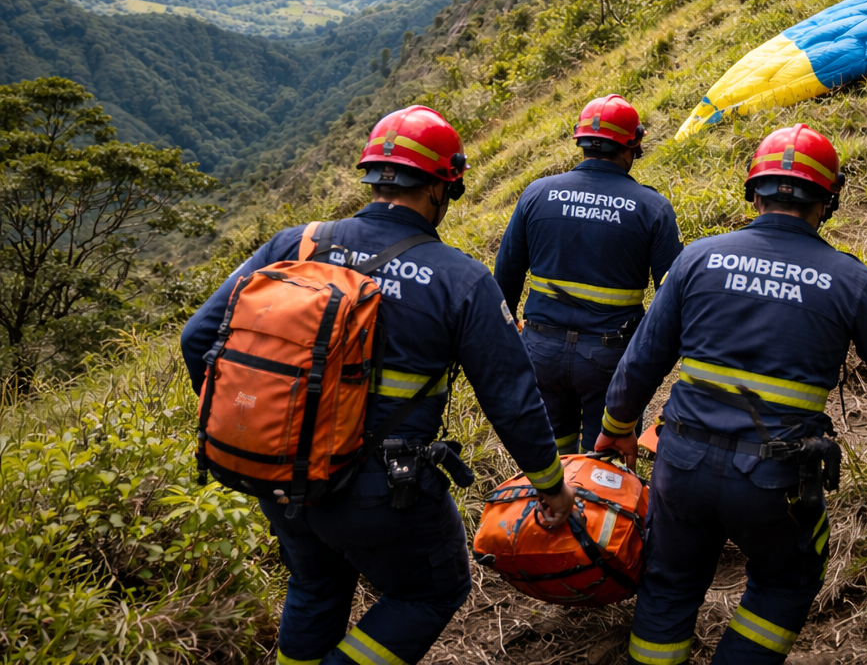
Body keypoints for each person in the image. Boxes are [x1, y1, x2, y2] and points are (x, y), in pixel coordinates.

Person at [181, 105, 575, 665]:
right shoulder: (459, 279)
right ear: (445, 187)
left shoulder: (294, 244)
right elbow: (510, 399)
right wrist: (550, 484)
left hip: (281, 474)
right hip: (382, 491)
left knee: (316, 586)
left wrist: (264, 423)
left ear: (374, 176)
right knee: (430, 591)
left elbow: (198, 338)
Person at [595, 124, 867, 665]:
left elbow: (640, 361)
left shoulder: (697, 259)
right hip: (772, 480)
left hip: (680, 465)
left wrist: (616, 430)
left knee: (668, 584)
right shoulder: (848, 280)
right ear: (827, 202)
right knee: (786, 582)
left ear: (752, 191)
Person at [495, 94, 682, 455]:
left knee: (552, 462)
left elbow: (505, 278)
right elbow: (671, 298)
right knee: (604, 465)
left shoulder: (537, 194)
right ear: (633, 145)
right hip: (610, 361)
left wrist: (510, 348)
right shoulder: (652, 208)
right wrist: (647, 366)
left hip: (540, 352)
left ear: (581, 141)